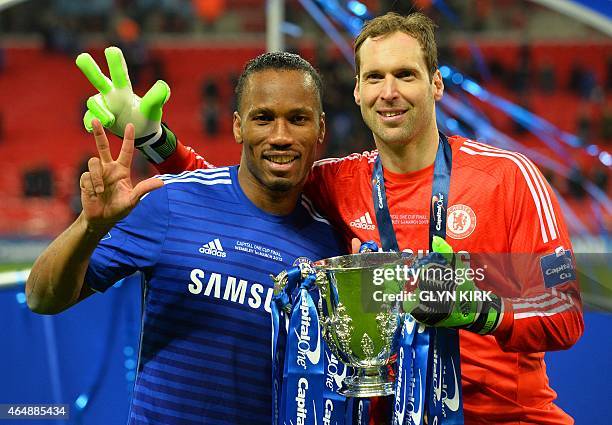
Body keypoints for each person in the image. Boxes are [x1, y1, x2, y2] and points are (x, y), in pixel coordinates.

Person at [85, 14, 583, 425]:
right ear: (358, 94)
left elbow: (565, 311)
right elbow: (240, 185)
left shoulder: (507, 178)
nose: (389, 91)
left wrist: (482, 308)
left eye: (406, 75)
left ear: (435, 84)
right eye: (374, 78)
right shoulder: (337, 184)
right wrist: (154, 137)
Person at [26, 51, 343, 424]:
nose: (280, 136)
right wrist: (88, 227)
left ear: (320, 129)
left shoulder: (331, 249)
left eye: (298, 119)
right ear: (238, 127)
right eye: (263, 118)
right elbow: (41, 298)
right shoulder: (172, 202)